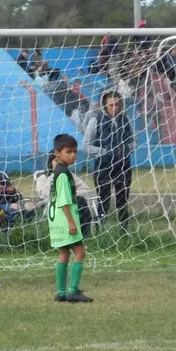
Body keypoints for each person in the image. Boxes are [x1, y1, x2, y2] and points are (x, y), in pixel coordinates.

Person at [48, 133, 93, 303]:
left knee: (64, 252)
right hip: (66, 219)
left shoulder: (57, 172)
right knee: (80, 252)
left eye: (75, 152)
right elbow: (64, 201)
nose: (73, 155)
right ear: (57, 153)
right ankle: (73, 291)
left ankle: (61, 292)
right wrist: (71, 222)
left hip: (56, 220)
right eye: (69, 152)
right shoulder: (64, 174)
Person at [83, 91, 135, 233]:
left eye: (117, 104)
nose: (114, 108)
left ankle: (124, 232)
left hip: (123, 166)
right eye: (111, 105)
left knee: (122, 201)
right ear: (104, 105)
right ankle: (100, 232)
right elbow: (86, 145)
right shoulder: (96, 121)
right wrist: (104, 152)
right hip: (103, 166)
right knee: (103, 200)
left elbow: (134, 142)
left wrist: (125, 149)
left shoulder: (126, 119)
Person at [37, 153, 97, 237]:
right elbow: (43, 193)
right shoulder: (43, 178)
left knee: (80, 200)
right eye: (56, 160)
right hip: (55, 205)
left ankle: (84, 234)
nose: (59, 163)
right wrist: (54, 176)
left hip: (72, 202)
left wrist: (69, 194)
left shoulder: (69, 174)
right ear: (51, 162)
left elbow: (85, 189)